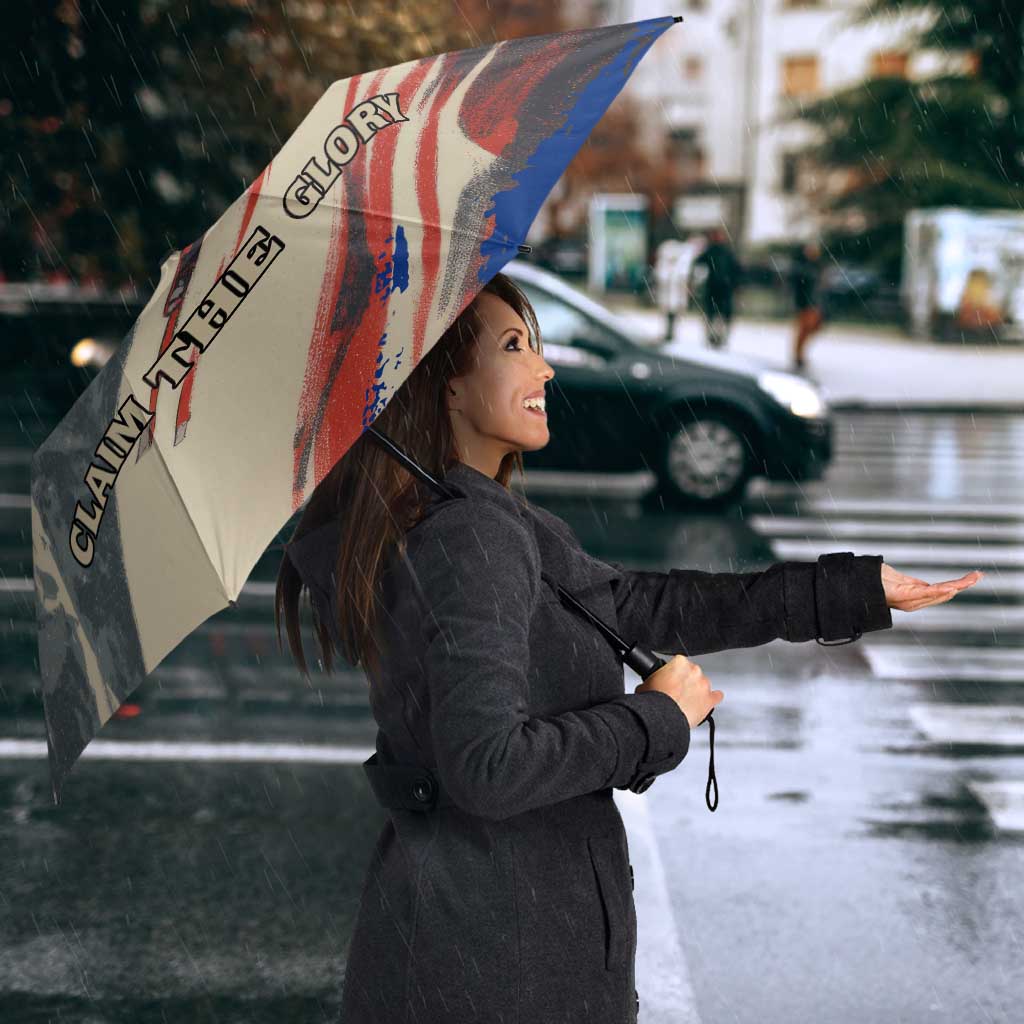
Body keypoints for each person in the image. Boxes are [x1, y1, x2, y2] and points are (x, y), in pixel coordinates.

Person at [276, 271, 975, 1024]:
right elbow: (487, 768)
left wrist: (850, 591)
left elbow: (639, 605)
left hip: (483, 941)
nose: (544, 368)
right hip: (499, 963)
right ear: (445, 385)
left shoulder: (476, 517)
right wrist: (656, 719)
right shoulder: (469, 536)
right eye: (514, 346)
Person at [692, 226, 742, 349]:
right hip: (715, 288)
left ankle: (719, 337)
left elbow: (736, 270)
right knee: (713, 314)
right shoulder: (712, 251)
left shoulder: (725, 252)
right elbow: (698, 264)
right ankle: (713, 337)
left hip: (723, 288)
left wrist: (735, 284)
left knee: (720, 315)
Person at [790, 239, 826, 370]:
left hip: (814, 303)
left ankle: (799, 354)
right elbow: (799, 286)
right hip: (805, 303)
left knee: (812, 328)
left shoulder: (817, 266)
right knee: (804, 329)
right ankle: (798, 355)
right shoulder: (802, 267)